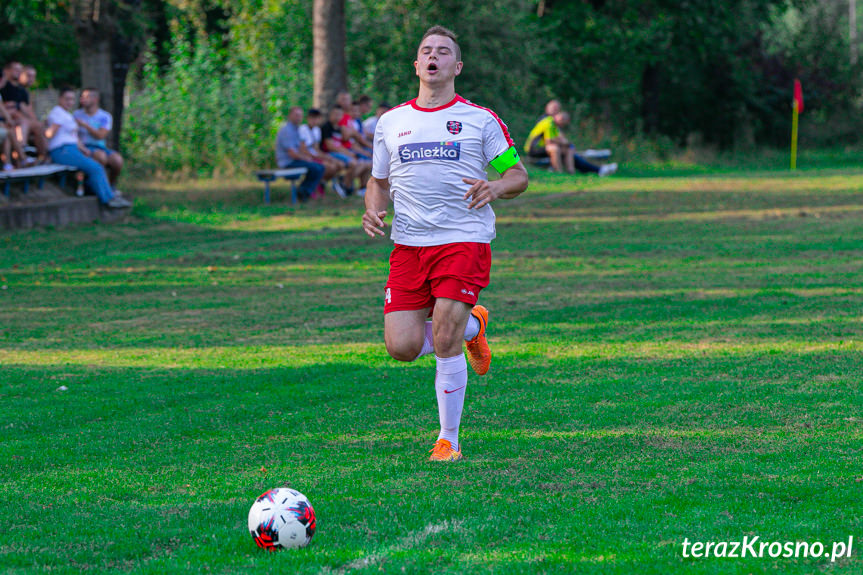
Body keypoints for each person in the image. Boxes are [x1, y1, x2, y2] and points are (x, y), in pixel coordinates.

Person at [361, 25, 528, 462]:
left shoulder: (479, 119)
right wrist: (373, 208)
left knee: (446, 338)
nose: (433, 57)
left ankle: (448, 440)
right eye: (425, 51)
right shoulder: (391, 122)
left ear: (457, 66)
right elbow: (377, 182)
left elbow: (518, 176)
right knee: (402, 347)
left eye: (443, 52)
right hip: (409, 245)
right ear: (417, 65)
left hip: (463, 240)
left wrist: (495, 187)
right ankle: (476, 325)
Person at [44, 87, 130, 208]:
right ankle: (108, 199)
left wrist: (83, 149)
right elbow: (49, 134)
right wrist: (48, 131)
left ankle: (110, 195)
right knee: (95, 167)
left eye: (72, 99)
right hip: (63, 150)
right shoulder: (58, 113)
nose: (70, 102)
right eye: (67, 99)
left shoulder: (67, 114)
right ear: (60, 99)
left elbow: (72, 136)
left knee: (97, 167)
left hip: (72, 148)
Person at [524, 110, 617, 176]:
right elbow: (550, 141)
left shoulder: (554, 124)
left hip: (544, 148)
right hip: (533, 149)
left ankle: (571, 172)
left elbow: (559, 139)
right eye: (563, 123)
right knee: (555, 149)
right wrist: (566, 144)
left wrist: (568, 145)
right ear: (561, 118)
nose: (562, 125)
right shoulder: (549, 122)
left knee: (569, 150)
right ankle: (558, 172)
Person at [74, 88, 124, 193]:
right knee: (100, 157)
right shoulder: (76, 115)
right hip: (83, 147)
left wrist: (85, 125)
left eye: (86, 97)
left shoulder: (105, 116)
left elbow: (100, 135)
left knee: (117, 160)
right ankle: (95, 187)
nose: (83, 99)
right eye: (82, 97)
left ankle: (110, 186)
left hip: (100, 147)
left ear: (95, 99)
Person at [274, 106, 325, 202]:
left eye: (300, 115)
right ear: (290, 116)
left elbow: (302, 149)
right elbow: (292, 153)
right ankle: (303, 192)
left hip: (295, 160)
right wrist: (306, 158)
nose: (298, 118)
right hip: (287, 162)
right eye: (296, 115)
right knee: (316, 168)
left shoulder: (297, 130)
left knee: (320, 167)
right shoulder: (286, 130)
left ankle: (304, 191)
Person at [0, 61, 47, 163]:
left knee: (38, 126)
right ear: (6, 71)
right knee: (22, 122)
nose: (18, 72)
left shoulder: (22, 91)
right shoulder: (4, 86)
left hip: (17, 120)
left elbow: (26, 109)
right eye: (16, 69)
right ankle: (22, 152)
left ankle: (43, 157)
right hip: (10, 121)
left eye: (20, 70)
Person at [321, 105, 371, 196]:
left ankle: (347, 183)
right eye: (335, 114)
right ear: (330, 115)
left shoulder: (340, 128)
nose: (337, 117)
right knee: (354, 163)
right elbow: (331, 146)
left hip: (341, 152)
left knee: (366, 163)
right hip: (329, 153)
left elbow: (345, 140)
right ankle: (344, 184)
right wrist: (348, 153)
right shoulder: (326, 127)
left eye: (339, 115)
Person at [298, 108, 347, 198]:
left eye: (316, 118)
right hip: (307, 156)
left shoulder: (317, 130)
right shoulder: (302, 129)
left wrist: (325, 156)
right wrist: (319, 157)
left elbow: (316, 148)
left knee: (339, 164)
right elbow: (303, 150)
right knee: (330, 166)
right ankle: (314, 186)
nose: (314, 120)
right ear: (308, 118)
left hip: (314, 155)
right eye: (312, 118)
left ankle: (320, 182)